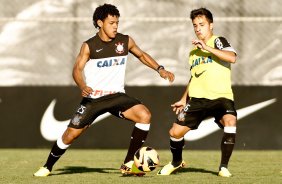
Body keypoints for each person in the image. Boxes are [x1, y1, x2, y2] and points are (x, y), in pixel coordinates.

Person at [34, 3, 174, 177]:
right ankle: (47, 166)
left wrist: (160, 69)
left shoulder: (125, 41)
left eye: (117, 23)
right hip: (94, 99)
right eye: (111, 23)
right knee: (70, 134)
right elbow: (77, 69)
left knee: (144, 115)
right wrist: (83, 86)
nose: (115, 26)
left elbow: (142, 55)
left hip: (116, 96)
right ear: (100, 23)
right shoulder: (89, 46)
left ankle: (129, 163)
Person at [157, 8, 237, 177]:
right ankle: (176, 162)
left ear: (211, 25)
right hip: (198, 99)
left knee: (230, 122)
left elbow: (232, 57)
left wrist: (207, 48)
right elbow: (193, 77)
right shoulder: (193, 52)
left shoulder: (218, 41)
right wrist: (183, 99)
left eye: (202, 24)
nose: (198, 28)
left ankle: (223, 167)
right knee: (174, 133)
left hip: (221, 97)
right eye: (195, 26)